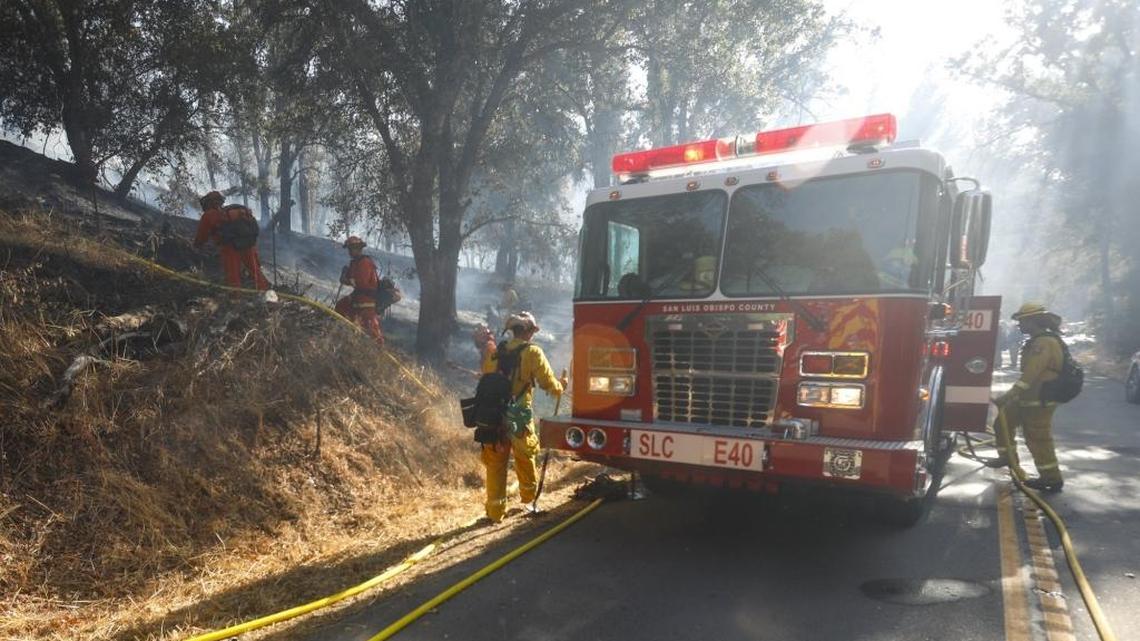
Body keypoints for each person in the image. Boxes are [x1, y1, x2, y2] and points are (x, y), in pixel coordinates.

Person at [479, 312, 567, 522]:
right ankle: (529, 502)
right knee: (525, 458)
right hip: (518, 417)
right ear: (529, 331)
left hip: (494, 417)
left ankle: (495, 512)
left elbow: (487, 377)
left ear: (512, 331)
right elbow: (548, 384)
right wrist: (561, 385)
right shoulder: (532, 352)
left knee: (495, 463)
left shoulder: (496, 352)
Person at [993, 302, 1065, 492]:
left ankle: (1052, 478)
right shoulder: (1038, 340)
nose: (1019, 325)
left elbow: (1030, 375)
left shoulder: (1044, 343)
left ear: (1033, 321)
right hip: (1028, 398)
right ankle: (1007, 458)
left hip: (1039, 399)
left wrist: (1008, 395)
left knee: (1037, 438)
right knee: (1002, 422)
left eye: (1022, 321)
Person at [192, 191, 270, 290]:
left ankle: (235, 300)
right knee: (255, 271)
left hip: (230, 247)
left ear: (208, 203)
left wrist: (196, 246)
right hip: (248, 244)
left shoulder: (208, 215)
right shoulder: (232, 213)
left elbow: (201, 236)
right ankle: (267, 294)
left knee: (232, 275)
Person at [335, 236, 385, 345]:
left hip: (366, 302)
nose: (350, 252)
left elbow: (360, 283)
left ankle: (381, 353)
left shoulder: (365, 262)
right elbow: (346, 279)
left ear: (359, 248)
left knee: (373, 333)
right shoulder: (354, 263)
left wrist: (346, 279)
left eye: (352, 249)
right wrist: (344, 275)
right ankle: (347, 340)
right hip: (356, 300)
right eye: (349, 249)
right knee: (340, 307)